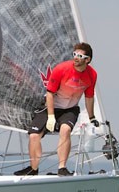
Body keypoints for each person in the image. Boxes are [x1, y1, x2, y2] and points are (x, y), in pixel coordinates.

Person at [15, 42, 99, 176]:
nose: (76, 58)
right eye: (75, 54)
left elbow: (89, 97)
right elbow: (49, 93)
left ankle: (62, 168)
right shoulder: (61, 69)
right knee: (34, 135)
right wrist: (51, 116)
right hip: (51, 106)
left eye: (80, 55)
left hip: (70, 109)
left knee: (65, 130)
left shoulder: (92, 75)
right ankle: (33, 169)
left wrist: (92, 117)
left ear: (87, 59)